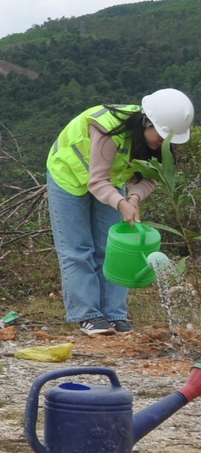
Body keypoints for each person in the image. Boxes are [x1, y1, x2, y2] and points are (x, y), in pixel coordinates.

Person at [45, 92, 192, 335]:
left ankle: (114, 315)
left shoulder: (156, 143)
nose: (164, 142)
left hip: (110, 183)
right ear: (147, 121)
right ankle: (88, 315)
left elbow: (149, 179)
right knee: (78, 250)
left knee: (112, 248)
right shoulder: (108, 128)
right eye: (162, 135)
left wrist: (133, 198)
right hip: (68, 175)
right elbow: (97, 180)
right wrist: (121, 203)